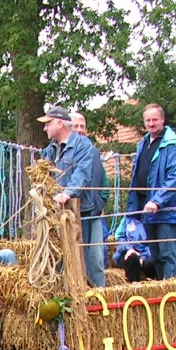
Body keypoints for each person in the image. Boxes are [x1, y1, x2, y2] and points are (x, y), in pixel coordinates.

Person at [38, 106, 101, 284]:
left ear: (59, 123)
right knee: (60, 258)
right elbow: (44, 178)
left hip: (82, 212)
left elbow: (82, 173)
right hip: (57, 213)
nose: (45, 128)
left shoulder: (83, 145)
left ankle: (89, 293)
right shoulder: (49, 151)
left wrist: (67, 193)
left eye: (48, 124)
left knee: (85, 259)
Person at [126, 103, 176, 279]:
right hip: (146, 207)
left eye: (155, 120)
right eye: (148, 120)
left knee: (167, 254)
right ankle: (163, 288)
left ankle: (172, 289)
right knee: (156, 254)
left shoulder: (172, 143)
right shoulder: (143, 143)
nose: (151, 124)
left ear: (163, 120)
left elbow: (175, 177)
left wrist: (157, 201)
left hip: (164, 208)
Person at [70, 110, 108, 287]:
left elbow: (104, 183)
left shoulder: (93, 152)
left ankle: (100, 293)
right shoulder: (66, 152)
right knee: (77, 259)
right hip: (72, 215)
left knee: (96, 259)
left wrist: (99, 203)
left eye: (82, 126)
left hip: (93, 214)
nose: (80, 130)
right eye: (75, 126)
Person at [112, 218, 157, 282]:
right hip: (127, 253)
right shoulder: (126, 219)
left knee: (154, 262)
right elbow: (119, 238)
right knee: (133, 258)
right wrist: (129, 249)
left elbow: (154, 243)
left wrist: (143, 257)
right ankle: (133, 285)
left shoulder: (150, 219)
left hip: (147, 254)